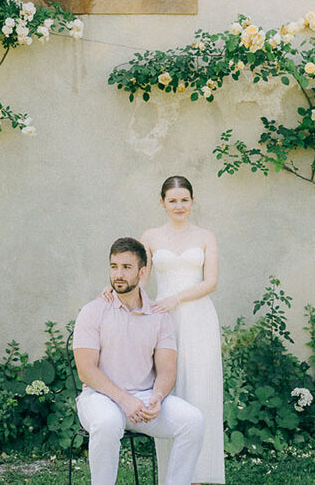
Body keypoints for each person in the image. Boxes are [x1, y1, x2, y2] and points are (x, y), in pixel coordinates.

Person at [104, 177, 224, 485]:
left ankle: (200, 474)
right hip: (162, 320)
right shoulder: (151, 235)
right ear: (162, 203)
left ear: (192, 201)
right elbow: (139, 275)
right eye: (173, 201)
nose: (179, 206)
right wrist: (114, 290)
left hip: (198, 318)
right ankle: (175, 475)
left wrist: (176, 298)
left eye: (184, 200)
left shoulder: (206, 236)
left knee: (199, 390)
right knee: (169, 388)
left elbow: (210, 282)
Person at [73, 236, 205, 485]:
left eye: (126, 267)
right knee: (108, 422)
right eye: (114, 266)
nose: (118, 274)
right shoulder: (92, 311)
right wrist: (124, 400)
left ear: (142, 272)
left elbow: (167, 370)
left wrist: (156, 397)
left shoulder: (159, 317)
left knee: (193, 421)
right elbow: (86, 371)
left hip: (143, 398)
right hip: (100, 398)